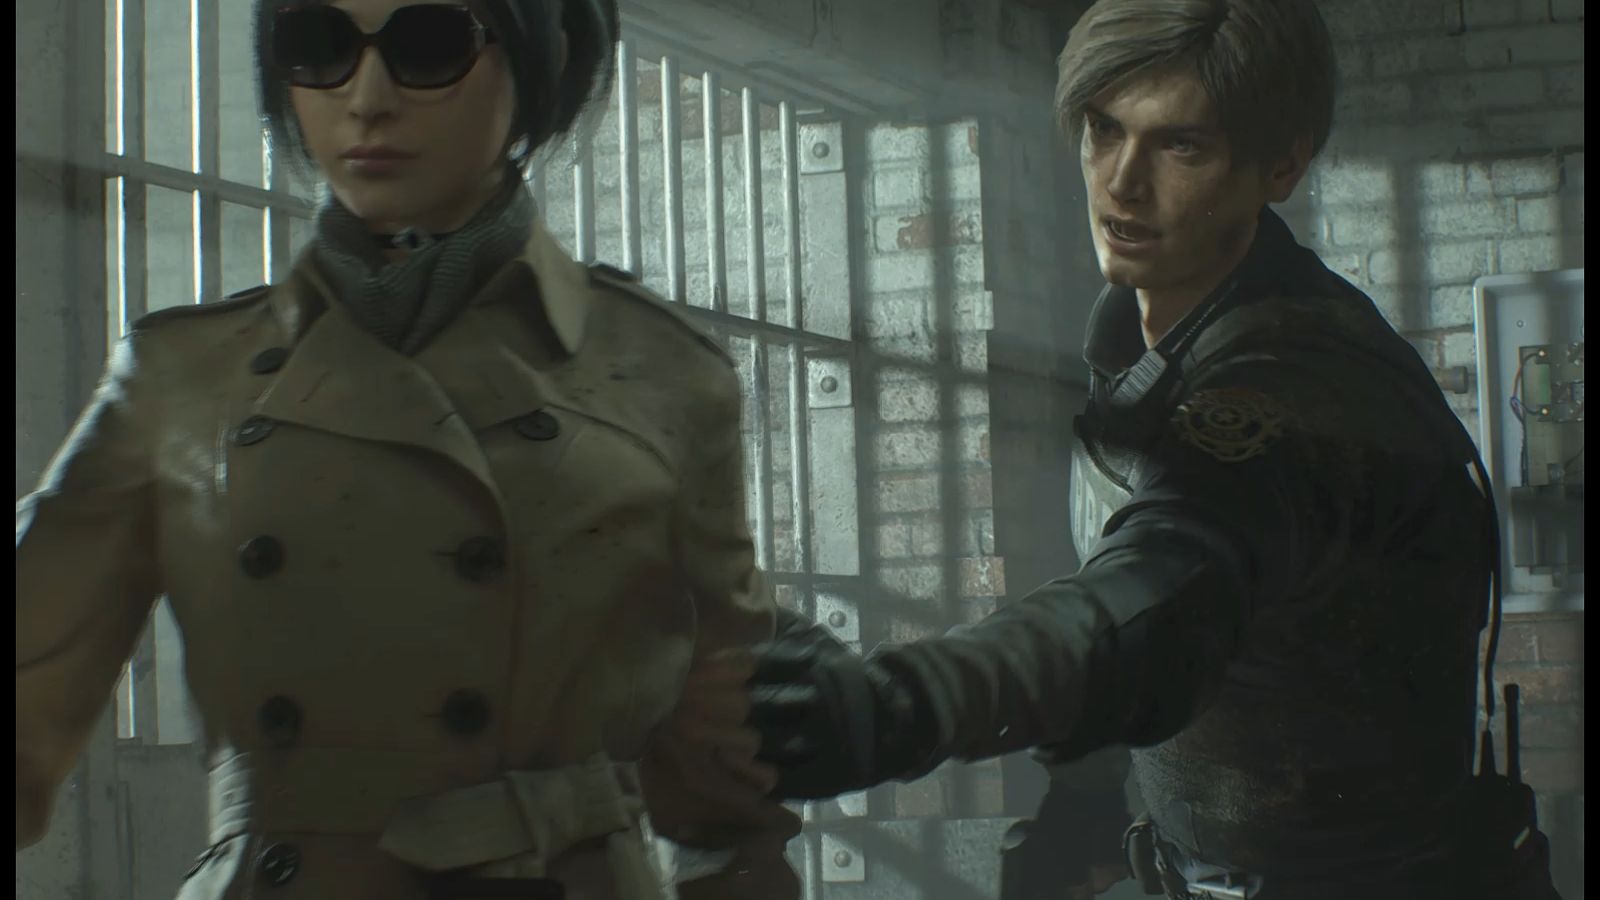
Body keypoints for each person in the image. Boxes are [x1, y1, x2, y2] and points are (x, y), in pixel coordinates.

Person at [742, 1, 1561, 898]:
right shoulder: (1144, 342)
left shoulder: (1293, 378)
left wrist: (894, 708)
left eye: (1181, 146)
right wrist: (1084, 805)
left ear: (1280, 164)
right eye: (1104, 130)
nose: (1121, 184)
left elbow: (1157, 587)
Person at [15, 2, 798, 898]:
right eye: (319, 47)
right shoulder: (180, 377)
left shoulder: (662, 372)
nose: (366, 98)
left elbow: (727, 784)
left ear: (536, 62)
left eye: (429, 46)